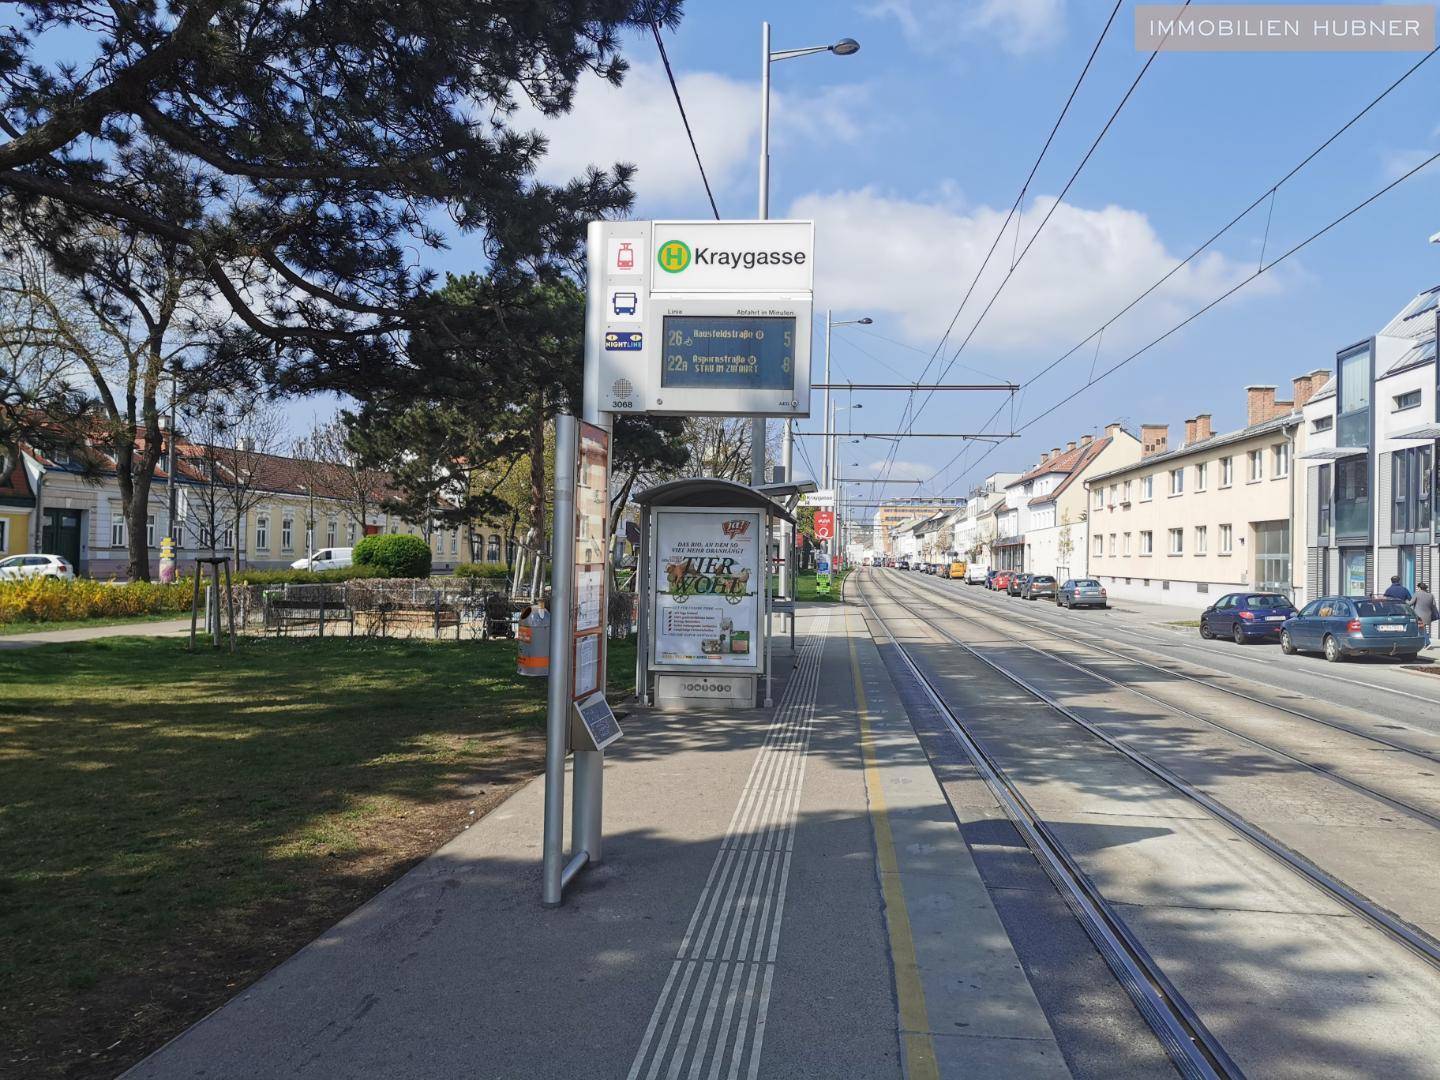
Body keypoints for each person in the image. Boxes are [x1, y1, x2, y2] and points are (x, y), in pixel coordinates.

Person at [1414, 581, 1435, 648]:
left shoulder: (1417, 594)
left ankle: (1426, 643)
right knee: (1422, 629)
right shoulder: (1431, 595)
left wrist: (1405, 602)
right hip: (1428, 615)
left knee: (1420, 629)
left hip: (1419, 616)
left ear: (1420, 588)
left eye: (1418, 588)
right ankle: (1426, 643)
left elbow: (1411, 603)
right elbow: (1433, 605)